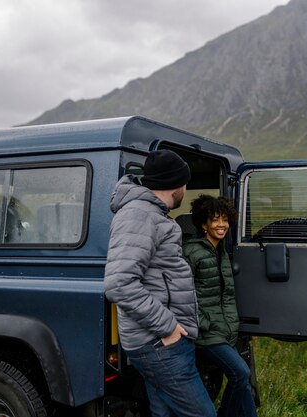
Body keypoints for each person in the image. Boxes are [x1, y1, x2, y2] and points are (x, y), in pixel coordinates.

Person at [104, 150, 216, 417]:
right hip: (159, 342)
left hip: (159, 341)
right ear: (175, 184)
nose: (186, 189)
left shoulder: (151, 213)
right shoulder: (139, 215)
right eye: (185, 183)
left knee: (163, 412)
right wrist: (169, 328)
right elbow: (119, 283)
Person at [182, 194, 258, 417]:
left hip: (222, 332)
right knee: (241, 374)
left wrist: (229, 326)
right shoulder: (191, 252)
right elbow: (181, 296)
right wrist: (204, 323)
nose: (221, 225)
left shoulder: (221, 252)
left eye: (224, 219)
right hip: (204, 334)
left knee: (242, 382)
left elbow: (225, 296)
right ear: (203, 224)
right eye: (215, 220)